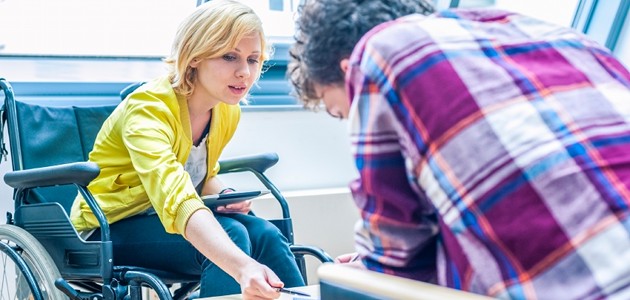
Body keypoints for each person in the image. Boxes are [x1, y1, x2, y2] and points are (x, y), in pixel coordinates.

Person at [289, 0, 630, 299]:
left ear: (348, 73)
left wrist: (359, 270)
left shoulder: (378, 55)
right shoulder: (565, 37)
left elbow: (394, 264)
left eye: (342, 113)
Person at [69, 1, 304, 298]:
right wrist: (242, 267)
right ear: (195, 56)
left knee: (266, 235)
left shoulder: (226, 111)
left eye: (253, 59)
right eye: (230, 57)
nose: (245, 72)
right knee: (233, 237)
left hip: (162, 221)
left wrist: (225, 195)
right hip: (107, 229)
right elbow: (175, 195)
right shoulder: (148, 109)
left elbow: (203, 176)